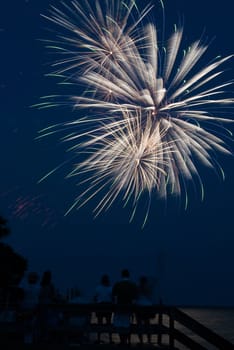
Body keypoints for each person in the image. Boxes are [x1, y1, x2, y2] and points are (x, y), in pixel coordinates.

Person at [112, 269, 137, 344]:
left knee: (120, 325)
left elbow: (114, 296)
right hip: (128, 308)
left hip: (119, 307)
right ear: (128, 275)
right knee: (127, 325)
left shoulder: (117, 284)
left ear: (122, 275)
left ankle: (122, 341)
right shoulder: (132, 285)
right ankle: (126, 341)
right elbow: (135, 298)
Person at [21, 272, 40, 344]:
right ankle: (28, 340)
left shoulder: (24, 287)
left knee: (28, 325)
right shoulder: (38, 288)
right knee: (29, 325)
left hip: (28, 307)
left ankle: (28, 340)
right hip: (30, 308)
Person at [136, 276, 155, 344]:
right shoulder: (148, 288)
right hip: (147, 307)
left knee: (139, 325)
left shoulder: (138, 288)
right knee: (147, 325)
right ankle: (149, 340)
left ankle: (141, 341)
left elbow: (136, 297)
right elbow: (151, 297)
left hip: (139, 307)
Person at [94, 274, 113, 343]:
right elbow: (113, 298)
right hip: (108, 307)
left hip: (100, 307)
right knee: (108, 323)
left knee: (99, 323)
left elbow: (95, 298)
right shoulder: (110, 288)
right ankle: (110, 339)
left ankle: (99, 338)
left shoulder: (98, 288)